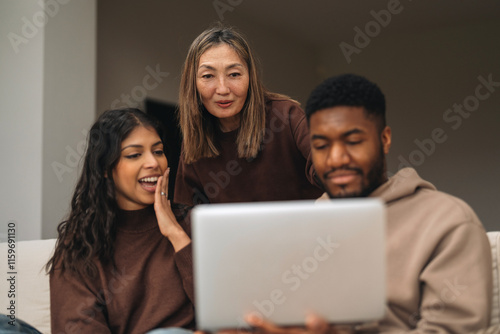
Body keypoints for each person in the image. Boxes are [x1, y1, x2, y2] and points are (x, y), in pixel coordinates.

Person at [239, 74, 494, 333]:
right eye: (321, 145)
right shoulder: (306, 226)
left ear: (384, 140)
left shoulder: (449, 223)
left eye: (353, 141)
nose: (336, 158)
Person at [46, 108, 195, 334]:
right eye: (134, 155)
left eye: (158, 151)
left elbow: (227, 308)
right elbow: (77, 327)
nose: (153, 163)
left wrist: (175, 233)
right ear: (106, 168)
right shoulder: (80, 244)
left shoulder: (192, 223)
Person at [173, 25, 323, 208]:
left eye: (234, 74)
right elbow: (187, 214)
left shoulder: (286, 116)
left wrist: (330, 194)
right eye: (208, 76)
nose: (222, 89)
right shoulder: (194, 142)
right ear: (193, 83)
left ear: (250, 77)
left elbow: (329, 167)